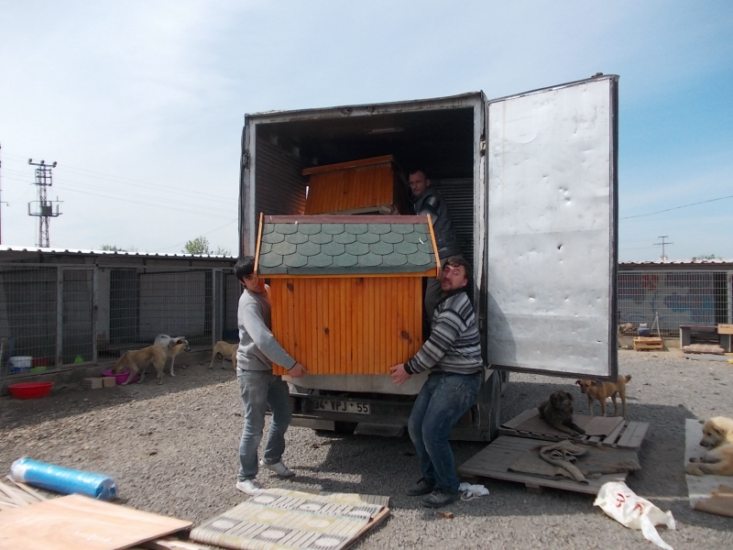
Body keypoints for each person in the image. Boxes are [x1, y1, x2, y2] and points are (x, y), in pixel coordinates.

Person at [390, 256, 483, 508]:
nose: (449, 273)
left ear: (464, 281)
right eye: (447, 269)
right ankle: (431, 478)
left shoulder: (456, 305)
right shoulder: (444, 302)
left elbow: (436, 346)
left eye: (457, 271)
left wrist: (408, 368)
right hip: (443, 374)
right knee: (415, 426)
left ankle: (448, 487)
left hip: (462, 378)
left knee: (433, 431)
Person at [233, 256, 307, 495]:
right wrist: (291, 363)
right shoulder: (249, 303)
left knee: (284, 413)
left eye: (257, 273)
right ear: (243, 281)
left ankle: (272, 458)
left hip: (271, 368)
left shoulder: (267, 290)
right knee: (254, 424)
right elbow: (263, 339)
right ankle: (245, 477)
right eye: (249, 277)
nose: (256, 279)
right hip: (252, 370)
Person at [407, 167, 462, 325]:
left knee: (433, 300)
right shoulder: (419, 202)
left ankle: (442, 334)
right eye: (411, 183)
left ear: (427, 182)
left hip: (447, 256)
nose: (415, 186)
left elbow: (423, 223)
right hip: (440, 256)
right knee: (443, 300)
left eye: (418, 182)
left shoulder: (431, 198)